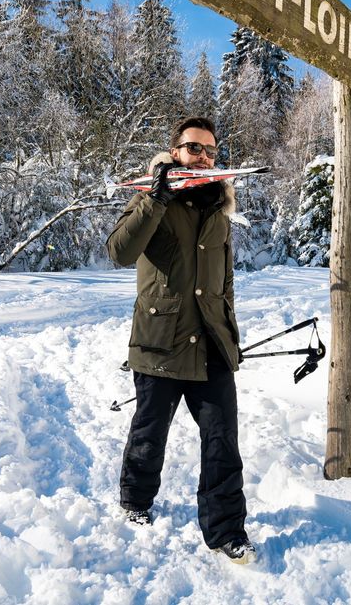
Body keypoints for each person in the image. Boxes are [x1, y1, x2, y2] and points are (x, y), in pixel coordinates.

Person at [106, 116, 255, 564]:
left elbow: (223, 283)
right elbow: (119, 252)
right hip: (160, 341)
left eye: (210, 150)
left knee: (222, 440)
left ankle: (227, 529)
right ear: (175, 151)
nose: (203, 156)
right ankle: (135, 500)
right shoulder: (152, 198)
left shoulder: (219, 210)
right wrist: (155, 197)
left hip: (210, 345)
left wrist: (229, 336)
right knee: (150, 432)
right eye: (194, 148)